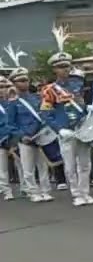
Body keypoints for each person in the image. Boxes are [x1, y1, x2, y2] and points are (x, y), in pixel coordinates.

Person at [41, 37, 93, 206]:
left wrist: (88, 109)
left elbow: (82, 102)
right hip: (66, 130)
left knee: (85, 163)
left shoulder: (77, 84)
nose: (65, 69)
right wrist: (59, 129)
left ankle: (86, 192)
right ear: (54, 69)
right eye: (61, 67)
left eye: (67, 66)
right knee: (70, 164)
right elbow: (45, 114)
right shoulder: (50, 90)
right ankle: (76, 193)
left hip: (82, 128)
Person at [8, 69, 54, 203]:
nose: (24, 83)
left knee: (43, 165)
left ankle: (45, 190)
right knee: (28, 167)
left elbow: (45, 114)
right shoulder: (13, 103)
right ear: (14, 83)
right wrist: (21, 136)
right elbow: (11, 124)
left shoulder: (37, 98)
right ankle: (33, 191)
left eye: (26, 80)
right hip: (26, 138)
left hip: (40, 135)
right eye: (20, 81)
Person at [0, 75, 14, 201]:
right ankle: (6, 190)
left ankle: (26, 187)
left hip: (14, 138)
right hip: (1, 139)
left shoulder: (12, 103)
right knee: (2, 168)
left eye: (5, 87)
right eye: (1, 87)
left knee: (22, 165)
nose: (3, 89)